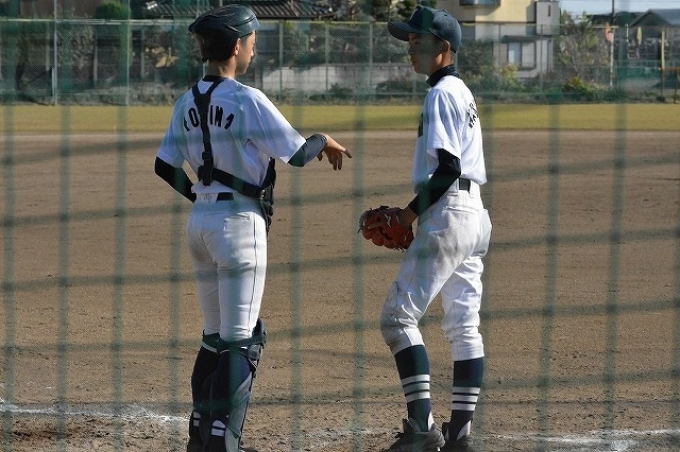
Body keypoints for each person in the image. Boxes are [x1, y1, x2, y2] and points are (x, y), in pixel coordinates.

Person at [153, 5, 352, 452]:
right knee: (242, 342)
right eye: (252, 41)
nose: (254, 48)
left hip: (200, 226)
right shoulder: (247, 99)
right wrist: (323, 138)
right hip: (240, 227)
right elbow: (298, 155)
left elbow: (164, 166)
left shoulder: (185, 101)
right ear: (236, 46)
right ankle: (224, 440)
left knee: (214, 338)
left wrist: (201, 198)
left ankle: (200, 433)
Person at [381, 6, 492, 452]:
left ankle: (422, 428)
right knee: (463, 326)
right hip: (474, 217)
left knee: (397, 317)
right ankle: (459, 435)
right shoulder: (461, 91)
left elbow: (447, 168)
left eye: (418, 41)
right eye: (408, 41)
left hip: (449, 214)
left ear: (443, 47)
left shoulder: (441, 94)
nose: (410, 49)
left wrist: (408, 215)